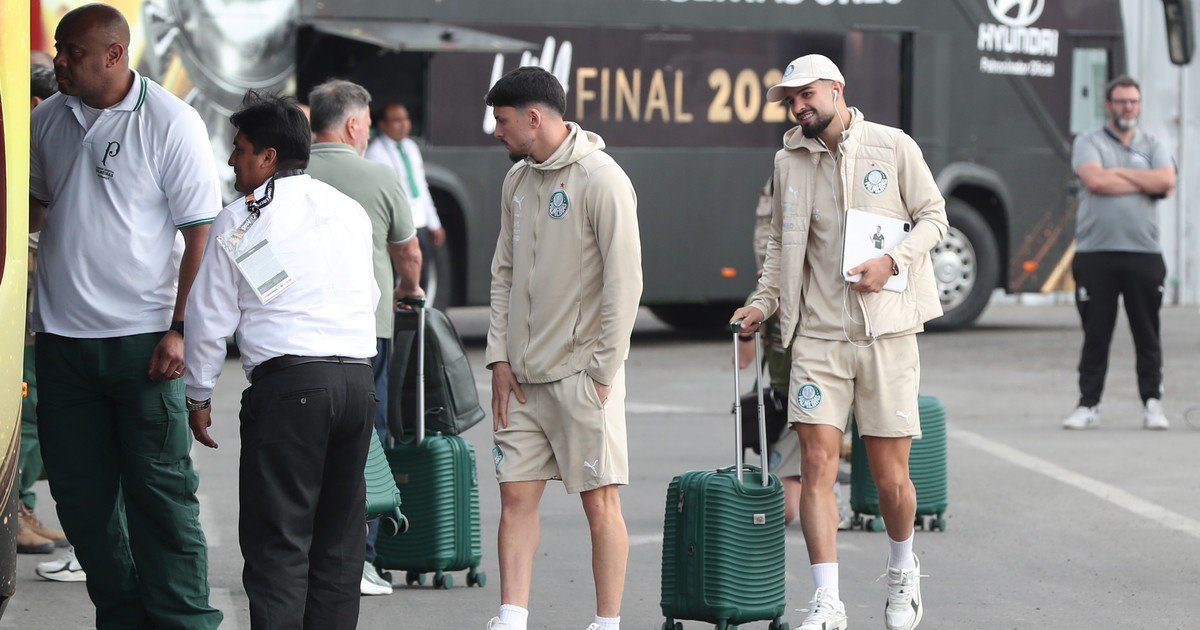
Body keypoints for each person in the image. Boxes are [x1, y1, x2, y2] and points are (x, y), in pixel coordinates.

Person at [731, 54, 948, 630]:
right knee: (817, 464)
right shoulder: (787, 161)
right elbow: (780, 247)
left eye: (807, 94)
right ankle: (827, 601)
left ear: (837, 89)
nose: (798, 106)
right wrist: (761, 303)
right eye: (790, 99)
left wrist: (891, 261)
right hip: (818, 338)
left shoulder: (893, 145)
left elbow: (935, 218)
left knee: (890, 479)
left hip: (887, 333)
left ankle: (903, 570)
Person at [29, 5, 222, 626]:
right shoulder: (47, 119)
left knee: (160, 498)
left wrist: (181, 328)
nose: (58, 60)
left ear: (115, 55)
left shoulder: (171, 122)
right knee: (81, 500)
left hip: (144, 345)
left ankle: (184, 621)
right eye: (59, 48)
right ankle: (123, 614)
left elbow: (201, 237)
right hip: (62, 343)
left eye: (72, 52)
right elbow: (35, 212)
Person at [184, 92, 379, 629]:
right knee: (338, 546)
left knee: (278, 545)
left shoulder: (240, 219)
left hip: (291, 387)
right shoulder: (348, 211)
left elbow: (208, 317)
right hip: (356, 383)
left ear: (268, 157)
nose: (232, 160)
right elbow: (372, 297)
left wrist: (198, 396)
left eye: (240, 149)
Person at [484, 66, 642, 630]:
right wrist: (499, 358)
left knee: (600, 504)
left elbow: (627, 283)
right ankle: (512, 616)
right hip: (521, 380)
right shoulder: (516, 181)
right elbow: (503, 273)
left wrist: (602, 372)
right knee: (515, 499)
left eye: (502, 122)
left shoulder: (602, 179)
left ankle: (606, 622)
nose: (496, 132)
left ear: (535, 117)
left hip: (581, 377)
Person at [305, 78, 423, 596]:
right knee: (365, 442)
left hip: (298, 335)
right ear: (353, 124)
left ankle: (302, 558)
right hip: (365, 332)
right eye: (369, 123)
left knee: (302, 445)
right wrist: (409, 289)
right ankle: (361, 559)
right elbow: (409, 253)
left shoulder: (289, 168)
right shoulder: (379, 175)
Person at [1061, 75, 1176, 431]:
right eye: (1122, 101)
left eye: (1134, 102)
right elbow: (1094, 180)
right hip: (1097, 255)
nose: (1128, 108)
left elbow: (1166, 182)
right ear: (1108, 105)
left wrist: (1118, 174)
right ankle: (1088, 405)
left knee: (1147, 333)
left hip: (1144, 254)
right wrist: (1142, 177)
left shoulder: (1154, 143)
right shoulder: (1088, 141)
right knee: (1096, 333)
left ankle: (1152, 404)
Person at [18, 62, 70, 558]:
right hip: (28, 291)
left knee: (28, 407)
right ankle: (15, 512)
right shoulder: (28, 140)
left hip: (39, 287)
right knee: (25, 410)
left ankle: (22, 507)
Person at [365, 102, 446, 291]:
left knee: (422, 273)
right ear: (383, 125)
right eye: (396, 120)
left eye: (406, 119)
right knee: (394, 274)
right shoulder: (375, 153)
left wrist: (434, 222)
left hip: (419, 221)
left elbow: (421, 187)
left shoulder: (411, 147)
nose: (403, 125)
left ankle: (420, 316)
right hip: (397, 224)